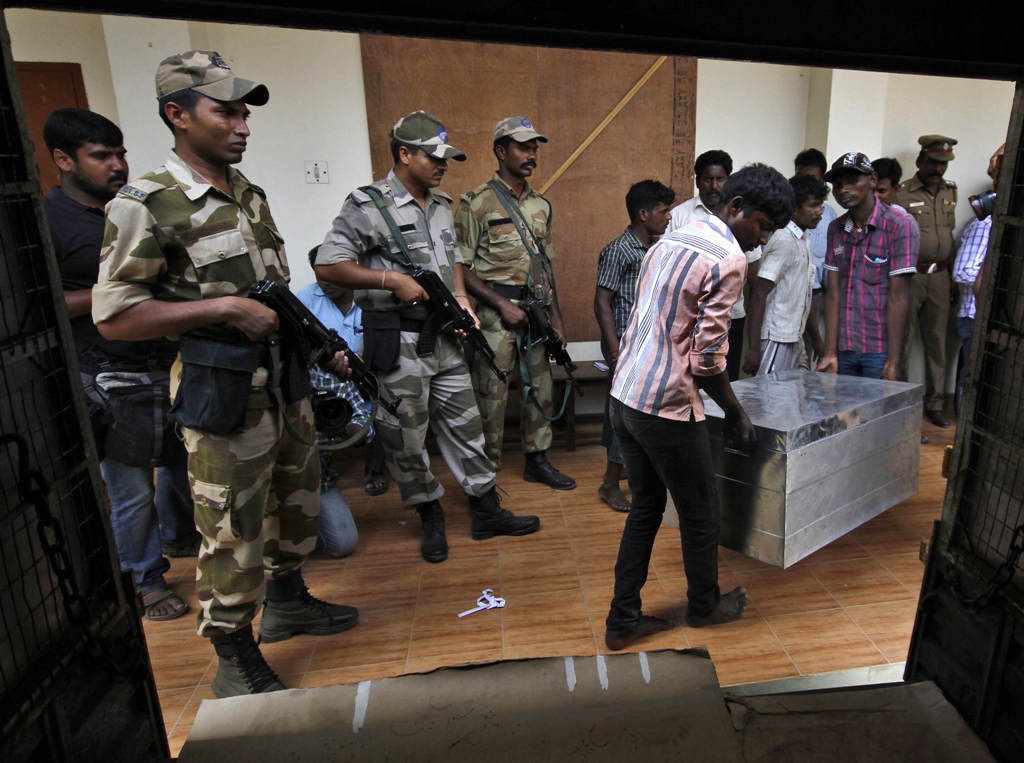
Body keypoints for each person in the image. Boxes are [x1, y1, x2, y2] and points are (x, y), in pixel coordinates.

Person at [92, 51, 358, 698]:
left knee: (293, 506)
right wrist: (220, 307)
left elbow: (272, 296)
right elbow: (114, 316)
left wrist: (320, 348)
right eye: (226, 111)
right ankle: (234, 653)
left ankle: (289, 602)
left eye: (244, 112)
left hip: (283, 387)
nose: (242, 125)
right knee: (232, 527)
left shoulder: (248, 194)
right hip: (221, 395)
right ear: (177, 115)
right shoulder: (147, 203)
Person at [314, 111, 540, 565]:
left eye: (446, 157)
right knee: (406, 438)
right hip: (396, 342)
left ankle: (485, 509)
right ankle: (430, 515)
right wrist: (388, 282)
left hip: (445, 337)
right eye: (433, 157)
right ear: (404, 153)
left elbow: (453, 259)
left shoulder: (440, 203)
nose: (443, 165)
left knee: (467, 426)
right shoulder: (367, 204)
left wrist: (463, 300)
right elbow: (327, 265)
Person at [604, 163, 795, 651]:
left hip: (626, 394)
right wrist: (736, 413)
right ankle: (704, 606)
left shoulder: (671, 237)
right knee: (701, 512)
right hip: (665, 405)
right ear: (735, 208)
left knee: (646, 507)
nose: (761, 241)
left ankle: (622, 619)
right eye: (762, 226)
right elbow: (708, 359)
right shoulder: (727, 259)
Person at [42, 108, 196, 623]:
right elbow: (46, 306)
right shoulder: (50, 223)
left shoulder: (134, 211)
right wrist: (113, 296)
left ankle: (181, 538)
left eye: (121, 153)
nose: (117, 165)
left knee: (183, 469)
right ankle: (146, 579)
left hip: (168, 364)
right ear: (64, 160)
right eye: (101, 156)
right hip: (106, 372)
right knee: (130, 489)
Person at [455, 117, 576, 490]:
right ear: (500, 151)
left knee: (539, 389)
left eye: (534, 147)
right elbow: (460, 267)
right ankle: (486, 470)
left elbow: (546, 265)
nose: (531, 154)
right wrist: (499, 304)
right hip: (495, 315)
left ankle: (537, 460)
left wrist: (556, 318)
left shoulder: (542, 206)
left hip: (536, 314)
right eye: (523, 147)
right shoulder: (476, 204)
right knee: (490, 396)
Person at [593, 180, 675, 511]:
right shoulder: (619, 250)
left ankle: (631, 474)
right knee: (624, 414)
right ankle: (610, 484)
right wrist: (614, 352)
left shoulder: (655, 249)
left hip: (647, 344)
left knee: (632, 413)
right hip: (624, 347)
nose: (668, 217)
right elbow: (601, 302)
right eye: (663, 211)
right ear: (643, 214)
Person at [816, 153, 917, 380]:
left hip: (879, 350)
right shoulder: (836, 228)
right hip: (845, 347)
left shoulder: (899, 225)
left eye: (852, 181)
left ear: (872, 180)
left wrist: (893, 361)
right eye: (838, 184)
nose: (843, 190)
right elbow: (833, 295)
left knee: (875, 414)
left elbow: (899, 297)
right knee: (842, 414)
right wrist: (830, 352)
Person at [298, 245, 388, 498]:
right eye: (321, 277)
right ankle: (323, 473)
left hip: (370, 374)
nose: (327, 283)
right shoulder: (304, 301)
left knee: (386, 401)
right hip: (327, 379)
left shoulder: (374, 296)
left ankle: (375, 470)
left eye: (334, 275)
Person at [667, 150, 760, 380]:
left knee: (725, 377)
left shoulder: (742, 218)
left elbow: (754, 275)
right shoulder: (679, 215)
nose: (714, 186)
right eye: (708, 179)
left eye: (720, 179)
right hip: (688, 317)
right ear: (698, 181)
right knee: (690, 378)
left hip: (731, 316)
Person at [894, 135, 959, 428]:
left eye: (943, 164)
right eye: (933, 162)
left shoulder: (950, 193)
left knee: (937, 343)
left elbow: (949, 235)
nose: (938, 168)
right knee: (903, 341)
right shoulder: (903, 193)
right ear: (920, 161)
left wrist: (954, 279)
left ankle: (935, 405)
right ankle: (902, 405)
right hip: (911, 276)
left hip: (941, 277)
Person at [743, 174, 828, 375]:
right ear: (794, 208)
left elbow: (803, 298)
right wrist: (754, 348)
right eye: (813, 206)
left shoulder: (802, 240)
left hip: (793, 336)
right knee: (768, 400)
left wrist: (815, 339)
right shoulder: (785, 241)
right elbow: (759, 293)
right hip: (776, 337)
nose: (819, 212)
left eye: (821, 206)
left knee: (791, 398)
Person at [794, 149, 838, 363]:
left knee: (815, 349)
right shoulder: (785, 214)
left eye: (811, 178)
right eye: (800, 176)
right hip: (791, 293)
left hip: (819, 294)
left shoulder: (828, 214)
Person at [952, 215, 992, 409]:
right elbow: (962, 270)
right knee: (972, 378)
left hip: (992, 317)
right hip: (974, 313)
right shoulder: (986, 224)